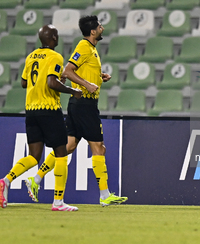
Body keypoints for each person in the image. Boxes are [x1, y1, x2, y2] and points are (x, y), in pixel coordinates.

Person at [26, 15, 128, 206]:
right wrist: (87, 84)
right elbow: (68, 71)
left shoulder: (91, 49)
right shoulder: (83, 46)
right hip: (85, 105)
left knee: (68, 147)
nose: (102, 28)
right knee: (99, 148)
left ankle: (36, 179)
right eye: (99, 26)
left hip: (79, 105)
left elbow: (80, 71)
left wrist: (98, 77)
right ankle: (105, 196)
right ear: (92, 31)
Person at [0, 25, 82, 211]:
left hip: (31, 110)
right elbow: (51, 82)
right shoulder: (55, 57)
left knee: (34, 156)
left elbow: (23, 82)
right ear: (53, 38)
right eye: (57, 35)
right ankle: (58, 202)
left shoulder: (31, 56)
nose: (58, 37)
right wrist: (72, 91)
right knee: (61, 153)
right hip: (49, 109)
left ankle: (5, 180)